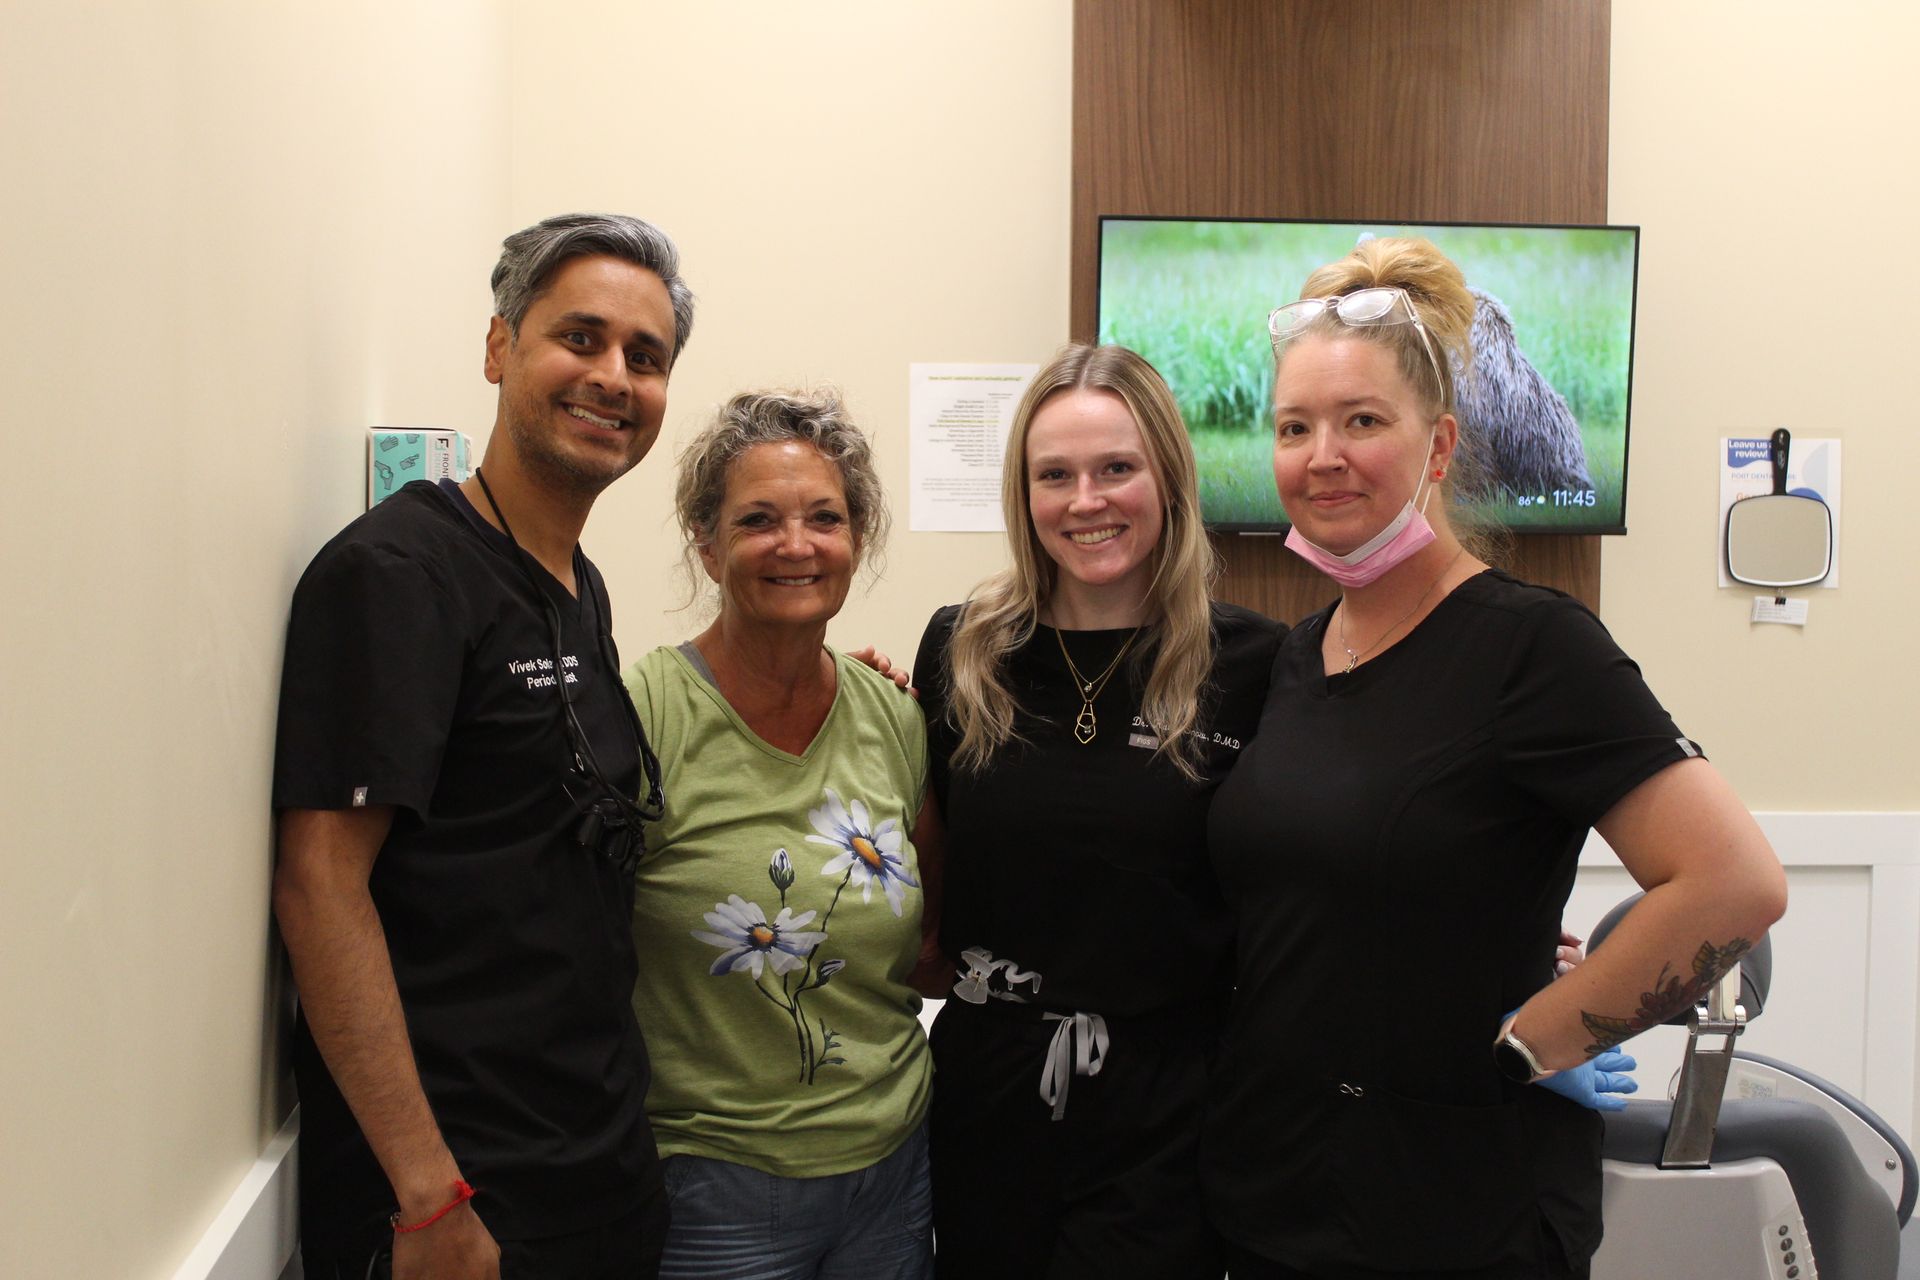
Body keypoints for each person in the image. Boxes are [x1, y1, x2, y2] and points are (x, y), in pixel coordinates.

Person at [1201, 236, 1788, 1279]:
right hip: (1272, 1193)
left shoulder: (1532, 645)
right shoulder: (1296, 657)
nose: (1321, 454)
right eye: (1294, 427)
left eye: (1362, 421)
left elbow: (1735, 883)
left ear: (1439, 446)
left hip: (1455, 1208)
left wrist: (1547, 1033)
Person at [272, 212, 694, 1280]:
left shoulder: (575, 587)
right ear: (500, 346)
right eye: (580, 337)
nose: (612, 376)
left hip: (592, 1178)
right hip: (459, 1209)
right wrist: (428, 1194)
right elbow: (322, 886)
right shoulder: (399, 573)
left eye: (645, 358)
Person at [910, 344, 1285, 1279]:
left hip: (1172, 1109)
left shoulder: (1257, 666)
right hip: (987, 1098)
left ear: (1168, 476)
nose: (1086, 500)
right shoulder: (962, 651)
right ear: (1023, 493)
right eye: (1055, 475)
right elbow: (926, 852)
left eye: (1117, 467)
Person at [624, 389, 936, 1279]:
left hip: (893, 1174)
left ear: (858, 539)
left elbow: (930, 942)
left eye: (824, 519)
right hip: (713, 1188)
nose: (795, 545)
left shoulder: (894, 717)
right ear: (707, 543)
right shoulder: (643, 716)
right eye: (758, 519)